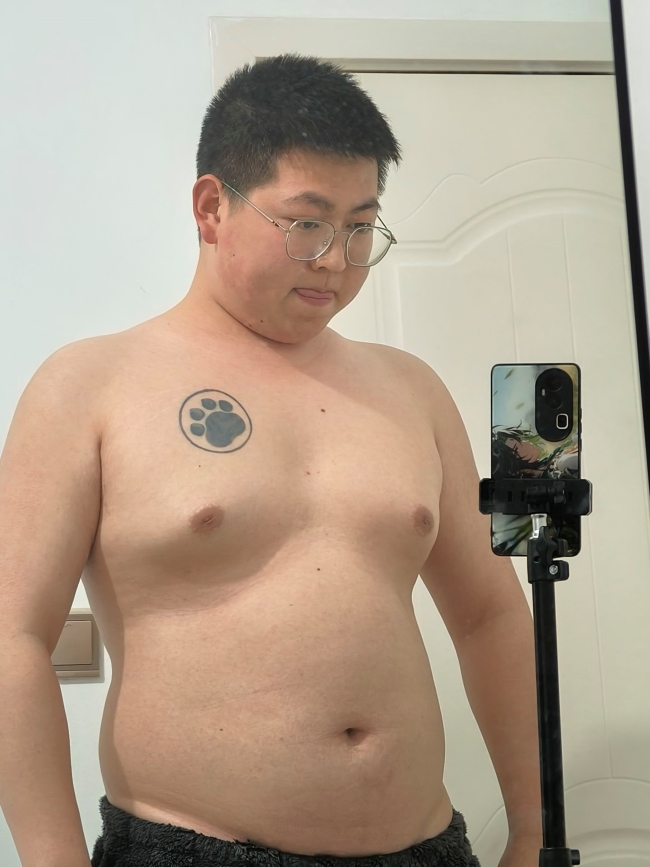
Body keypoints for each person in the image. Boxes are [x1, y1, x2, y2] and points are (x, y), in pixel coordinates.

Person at [0, 54, 542, 867]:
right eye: (307, 223)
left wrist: (534, 828)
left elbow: (489, 613)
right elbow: (12, 637)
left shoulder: (412, 389)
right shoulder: (89, 384)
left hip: (428, 849)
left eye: (361, 226)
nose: (336, 259)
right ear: (211, 206)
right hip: (191, 850)